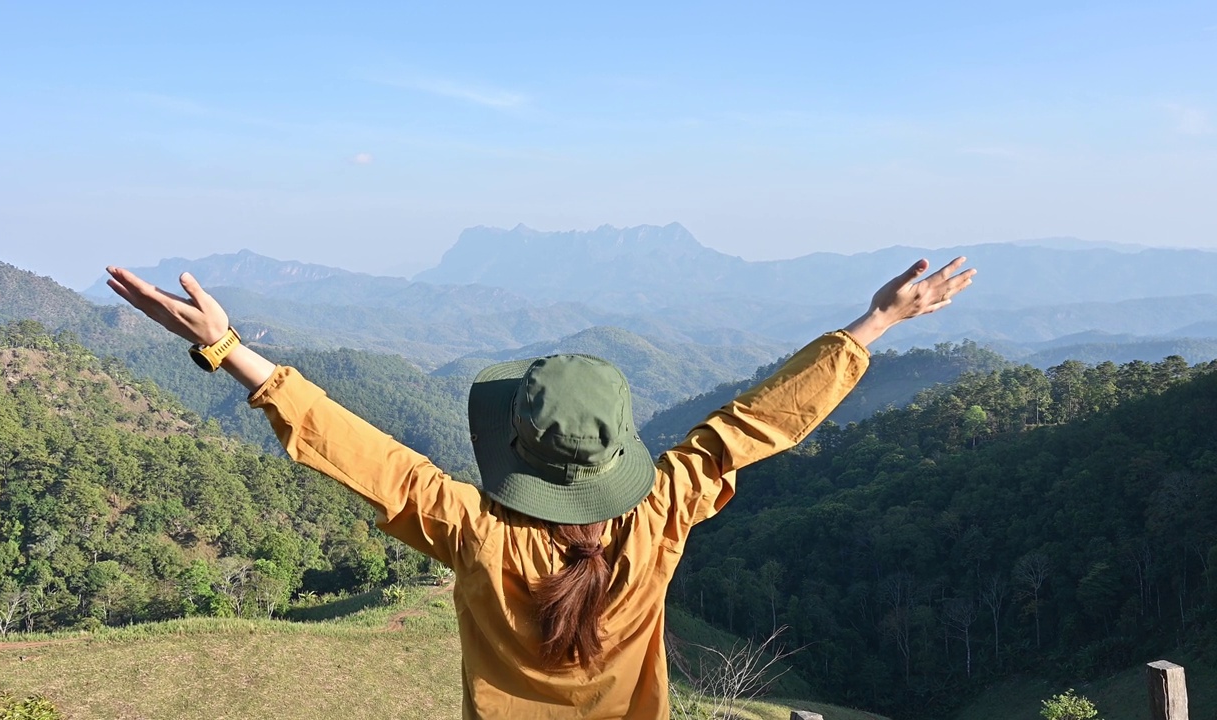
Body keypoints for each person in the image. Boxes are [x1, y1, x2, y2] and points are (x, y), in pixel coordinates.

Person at [105, 256, 974, 719]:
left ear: (514, 449)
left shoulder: (475, 532)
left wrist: (226, 349)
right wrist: (882, 319)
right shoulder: (662, 508)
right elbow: (757, 423)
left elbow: (355, 450)